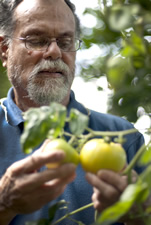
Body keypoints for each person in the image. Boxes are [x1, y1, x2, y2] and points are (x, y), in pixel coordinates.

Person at [0, 0, 145, 225]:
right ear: (4, 49)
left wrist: (138, 216)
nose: (55, 51)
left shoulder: (124, 137)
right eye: (37, 40)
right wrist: (3, 204)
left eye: (65, 41)